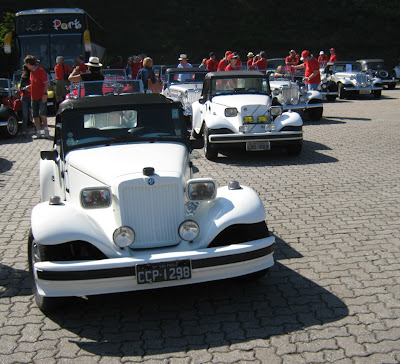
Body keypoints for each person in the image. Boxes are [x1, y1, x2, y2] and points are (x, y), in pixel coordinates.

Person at [23, 55, 49, 139]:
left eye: (27, 64)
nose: (26, 66)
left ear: (29, 63)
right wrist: (29, 87)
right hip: (33, 97)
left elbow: (45, 83)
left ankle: (46, 129)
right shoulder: (32, 72)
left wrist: (45, 94)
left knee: (42, 114)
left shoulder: (40, 71)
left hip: (41, 96)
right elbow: (34, 83)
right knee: (35, 115)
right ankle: (38, 132)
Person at [19, 65, 31, 137]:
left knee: (33, 113)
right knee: (25, 115)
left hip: (31, 96)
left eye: (24, 70)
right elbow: (21, 87)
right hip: (24, 97)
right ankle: (24, 130)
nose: (23, 71)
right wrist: (24, 89)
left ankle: (37, 129)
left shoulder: (31, 76)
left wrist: (28, 88)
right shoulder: (22, 77)